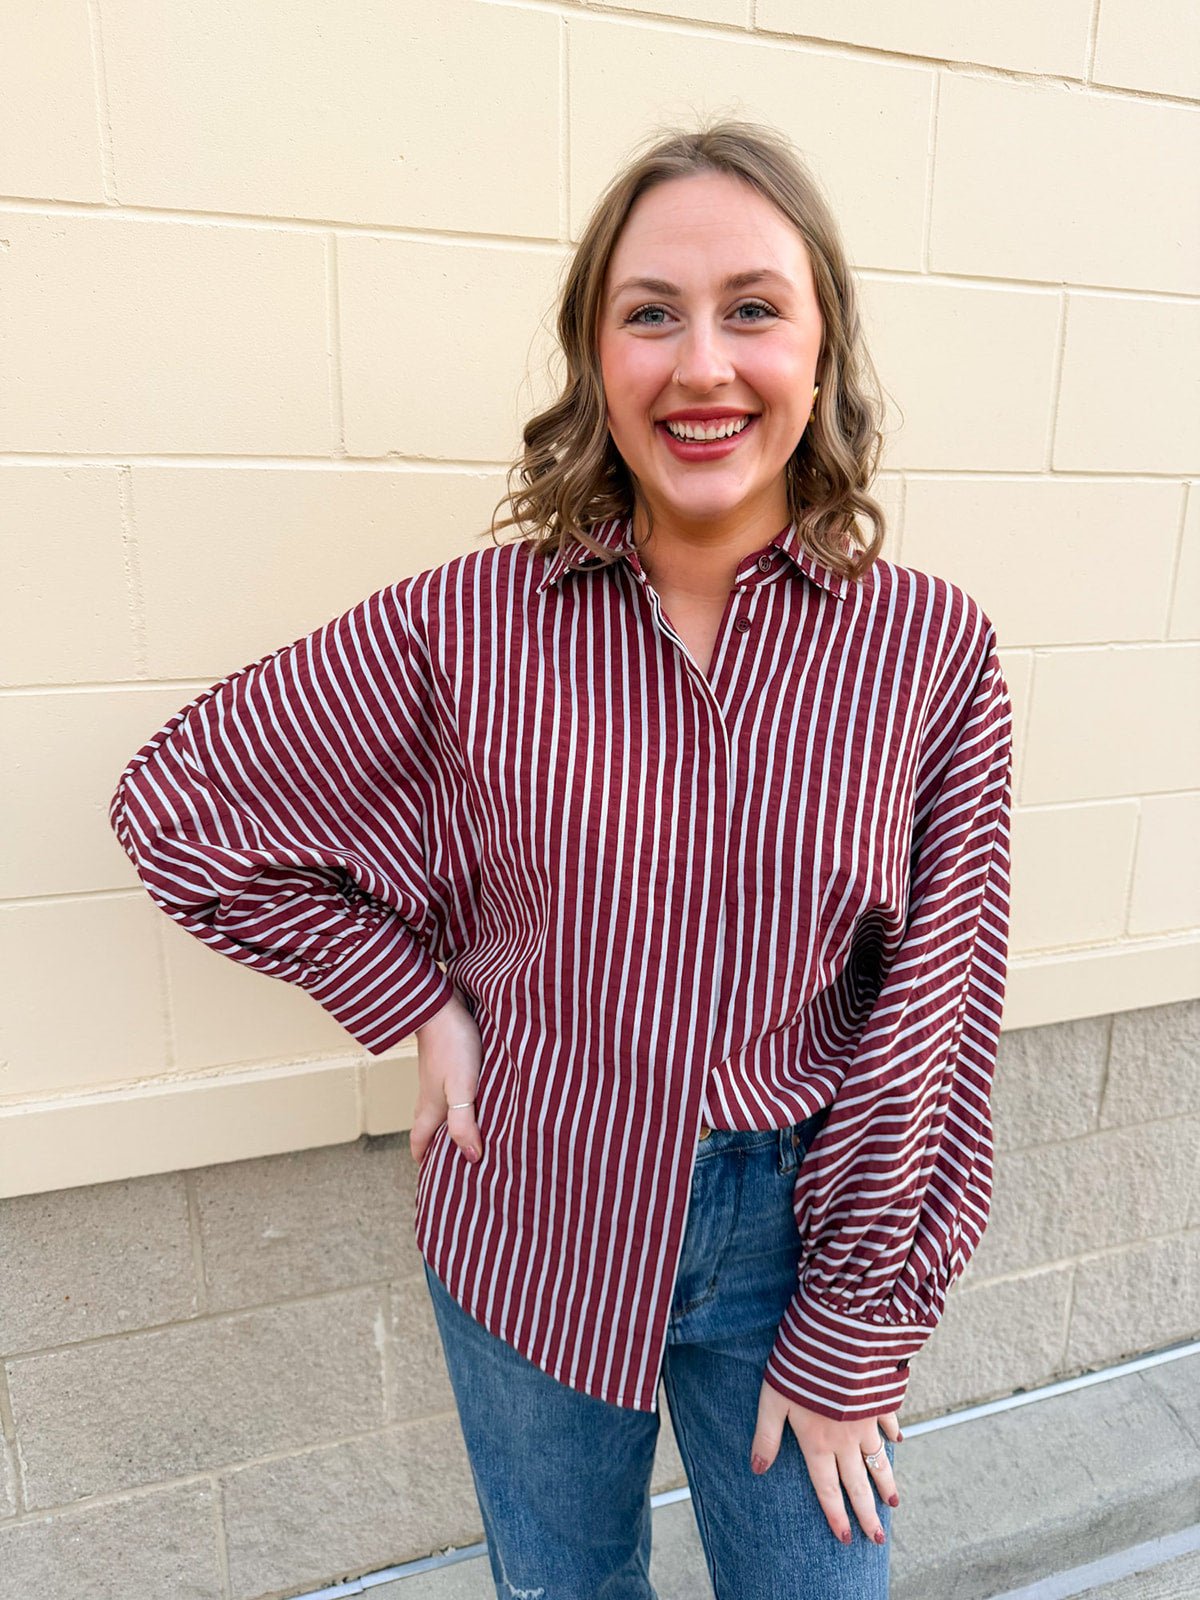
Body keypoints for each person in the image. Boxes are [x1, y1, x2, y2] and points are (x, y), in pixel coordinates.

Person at [109, 118, 1013, 1600]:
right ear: (597, 358)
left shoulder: (929, 651)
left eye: (754, 309)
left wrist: (861, 1323)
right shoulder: (470, 624)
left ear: (823, 349)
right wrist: (412, 997)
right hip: (532, 1199)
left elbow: (938, 1013)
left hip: (799, 1231)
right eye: (651, 314)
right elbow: (181, 807)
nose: (702, 365)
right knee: (563, 1589)